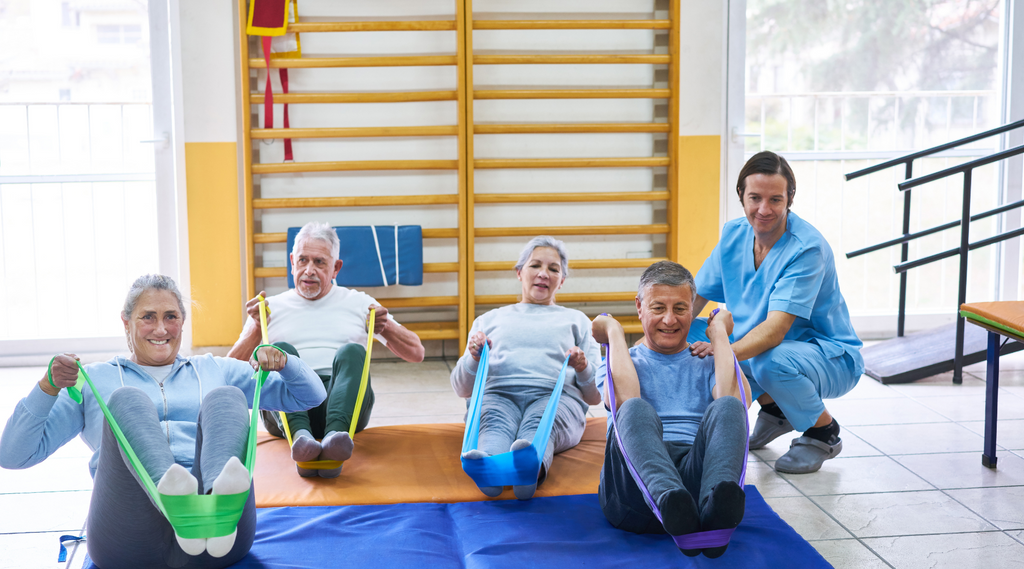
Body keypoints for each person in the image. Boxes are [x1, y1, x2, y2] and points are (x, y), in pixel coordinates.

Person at [0, 275, 325, 569]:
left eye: (171, 317)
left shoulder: (216, 368)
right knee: (126, 401)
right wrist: (47, 387)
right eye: (147, 317)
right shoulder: (93, 379)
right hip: (129, 539)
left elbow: (310, 396)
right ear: (126, 322)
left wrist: (285, 363)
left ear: (182, 322)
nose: (160, 329)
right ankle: (173, 496)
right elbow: (13, 455)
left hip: (220, 541)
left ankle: (213, 506)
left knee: (226, 396)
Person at [688, 151, 864, 474]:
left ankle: (822, 432)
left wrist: (721, 350)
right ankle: (774, 410)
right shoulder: (733, 235)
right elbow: (694, 297)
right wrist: (657, 338)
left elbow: (774, 331)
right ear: (741, 195)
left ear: (790, 199)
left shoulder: (806, 248)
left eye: (775, 199)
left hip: (828, 356)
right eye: (755, 198)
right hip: (759, 348)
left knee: (769, 360)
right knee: (683, 335)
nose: (764, 210)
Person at [228, 221, 424, 478]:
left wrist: (385, 328)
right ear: (292, 262)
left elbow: (416, 353)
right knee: (282, 350)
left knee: (352, 352)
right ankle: (301, 440)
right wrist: (256, 328)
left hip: (343, 402)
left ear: (336, 267)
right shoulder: (268, 308)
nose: (309, 270)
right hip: (287, 409)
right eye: (303, 260)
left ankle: (335, 439)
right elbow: (228, 375)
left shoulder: (360, 303)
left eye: (319, 262)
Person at [593, 261, 750, 559]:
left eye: (680, 308)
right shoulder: (621, 363)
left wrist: (719, 334)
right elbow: (625, 401)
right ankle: (667, 499)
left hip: (695, 499)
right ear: (639, 307)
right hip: (634, 499)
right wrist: (613, 330)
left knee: (729, 405)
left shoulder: (708, 360)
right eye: (657, 308)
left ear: (693, 310)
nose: (669, 320)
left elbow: (737, 401)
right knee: (633, 409)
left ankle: (715, 517)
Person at [451, 236, 603, 500]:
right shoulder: (489, 319)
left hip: (555, 399)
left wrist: (583, 366)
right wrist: (474, 357)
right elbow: (462, 388)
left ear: (562, 280)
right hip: (497, 395)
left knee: (541, 422)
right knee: (493, 422)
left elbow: (595, 395)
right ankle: (489, 467)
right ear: (519, 272)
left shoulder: (576, 320)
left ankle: (530, 470)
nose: (544, 274)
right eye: (535, 266)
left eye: (554, 269)